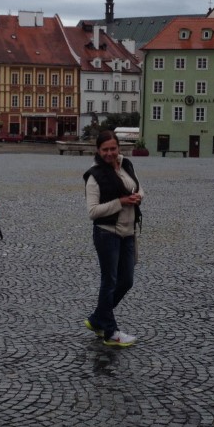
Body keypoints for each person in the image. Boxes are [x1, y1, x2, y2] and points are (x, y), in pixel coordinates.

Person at [82, 129, 143, 347]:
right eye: (105, 149)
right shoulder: (94, 176)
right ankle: (109, 332)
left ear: (118, 147)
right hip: (107, 233)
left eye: (113, 148)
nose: (109, 153)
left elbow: (138, 187)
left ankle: (98, 318)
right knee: (110, 281)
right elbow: (92, 212)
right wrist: (122, 202)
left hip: (128, 231)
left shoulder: (126, 164)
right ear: (98, 151)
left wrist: (138, 197)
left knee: (126, 280)